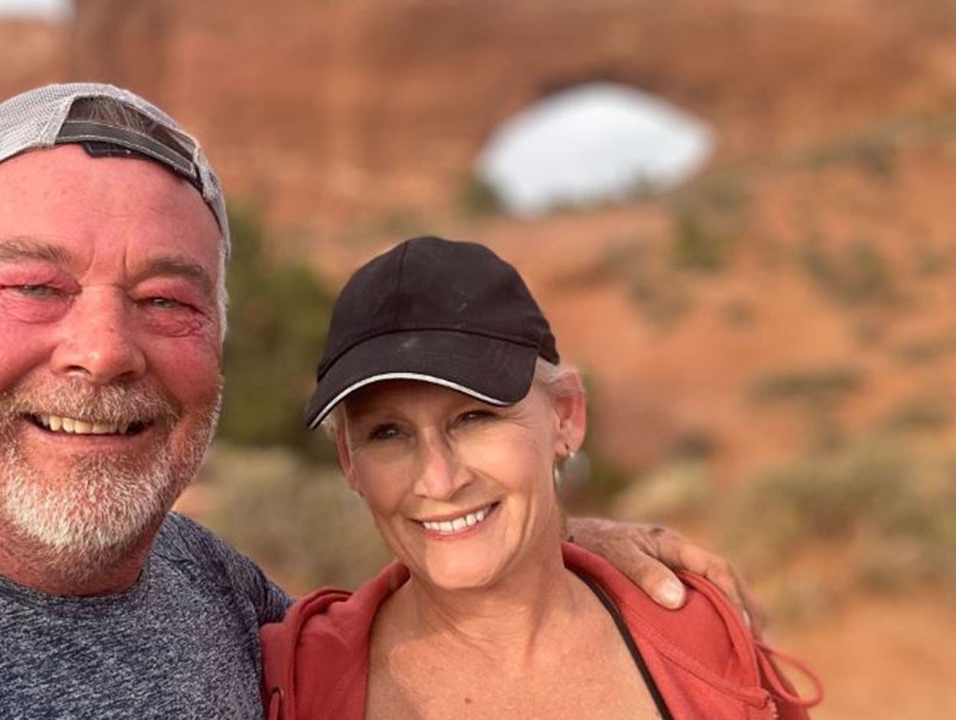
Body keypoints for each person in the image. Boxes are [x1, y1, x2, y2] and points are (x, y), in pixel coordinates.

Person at [0, 84, 757, 718]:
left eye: (166, 300)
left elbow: (419, 623)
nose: (104, 351)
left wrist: (552, 549)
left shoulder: (213, 591)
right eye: (34, 287)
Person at [262, 236, 822, 719]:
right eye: (387, 432)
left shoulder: (697, 644)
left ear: (566, 416)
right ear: (348, 460)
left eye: (474, 417)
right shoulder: (291, 680)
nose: (439, 480)